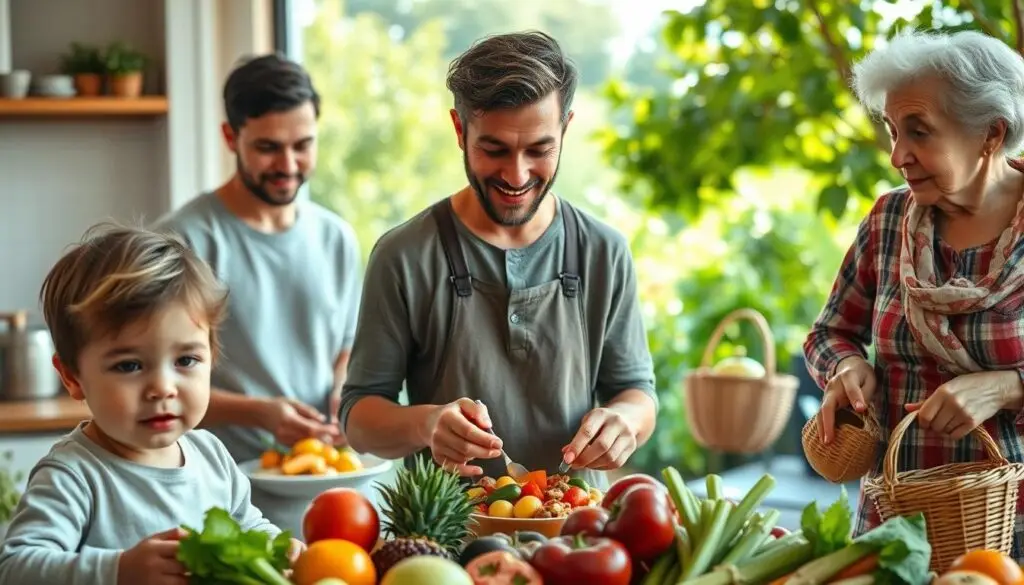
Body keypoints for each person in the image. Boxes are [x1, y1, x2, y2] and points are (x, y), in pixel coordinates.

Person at [338, 31, 658, 491]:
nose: (517, 175)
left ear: (565, 129)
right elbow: (359, 417)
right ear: (459, 129)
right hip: (444, 547)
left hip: (579, 543)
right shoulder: (403, 255)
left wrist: (625, 420)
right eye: (495, 150)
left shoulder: (604, 252)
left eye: (540, 149)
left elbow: (637, 393)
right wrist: (427, 424)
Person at [805, 28, 1024, 560]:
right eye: (891, 129)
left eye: (919, 132)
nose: (897, 154)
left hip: (1011, 530)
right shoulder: (888, 220)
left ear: (990, 134)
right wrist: (845, 369)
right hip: (892, 526)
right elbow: (829, 334)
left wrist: (1007, 388)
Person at [0, 223, 301, 585]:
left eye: (186, 361)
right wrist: (119, 570)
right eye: (129, 365)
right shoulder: (73, 476)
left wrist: (277, 545)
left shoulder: (213, 456)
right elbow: (16, 567)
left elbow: (246, 523)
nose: (162, 388)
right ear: (72, 378)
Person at [153, 54, 362, 531]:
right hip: (219, 497)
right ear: (231, 137)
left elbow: (346, 345)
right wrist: (263, 414)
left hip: (333, 492)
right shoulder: (183, 243)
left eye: (303, 145)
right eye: (268, 147)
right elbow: (160, 382)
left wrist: (340, 392)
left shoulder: (336, 237)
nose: (288, 165)